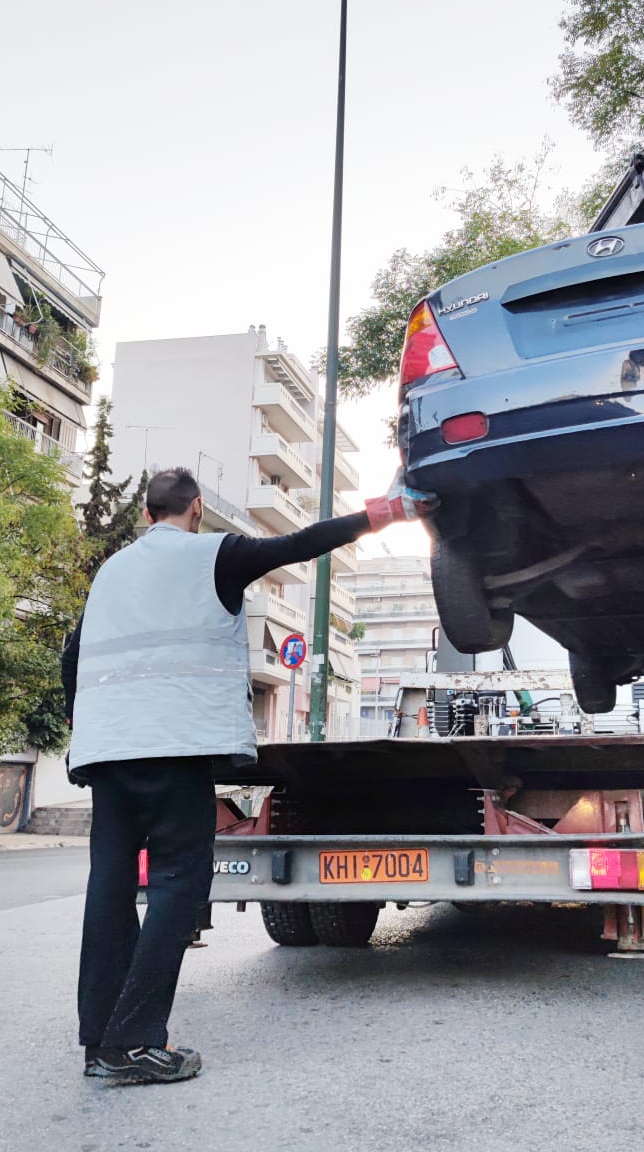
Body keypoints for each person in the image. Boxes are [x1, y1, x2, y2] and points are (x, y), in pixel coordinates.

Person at [62, 464, 436, 1086]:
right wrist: (384, 513)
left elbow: (73, 658)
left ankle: (99, 1043)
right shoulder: (213, 554)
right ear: (197, 509)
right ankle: (135, 1042)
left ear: (147, 515)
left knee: (109, 891)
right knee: (180, 886)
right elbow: (300, 544)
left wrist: (95, 728)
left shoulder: (111, 572)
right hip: (174, 748)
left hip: (107, 752)